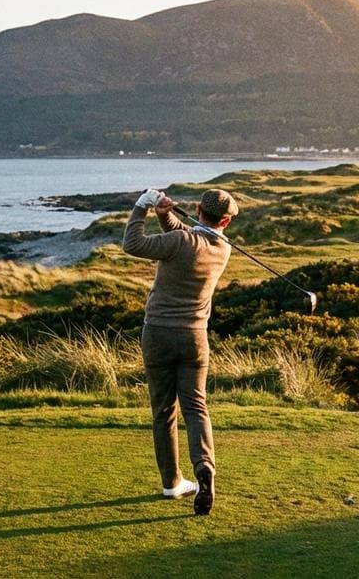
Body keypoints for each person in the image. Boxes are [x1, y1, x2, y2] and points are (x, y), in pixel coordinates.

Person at [122, 188, 237, 516]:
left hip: (158, 333)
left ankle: (172, 483)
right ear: (226, 221)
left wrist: (141, 207)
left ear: (198, 209)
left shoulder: (181, 243)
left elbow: (133, 244)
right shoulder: (222, 247)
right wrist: (164, 216)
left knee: (163, 411)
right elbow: (186, 238)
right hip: (195, 338)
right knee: (196, 407)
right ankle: (204, 467)